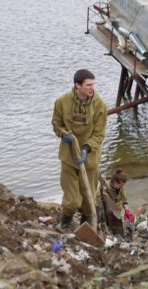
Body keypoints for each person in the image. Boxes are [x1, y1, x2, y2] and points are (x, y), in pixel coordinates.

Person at [52, 69, 107, 229]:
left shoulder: (99, 105)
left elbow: (99, 134)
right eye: (88, 85)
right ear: (77, 85)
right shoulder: (62, 102)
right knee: (72, 200)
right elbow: (56, 124)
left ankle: (87, 226)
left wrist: (86, 149)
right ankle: (65, 222)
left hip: (89, 160)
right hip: (68, 158)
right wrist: (63, 134)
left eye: (93, 84)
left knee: (88, 198)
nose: (92, 88)